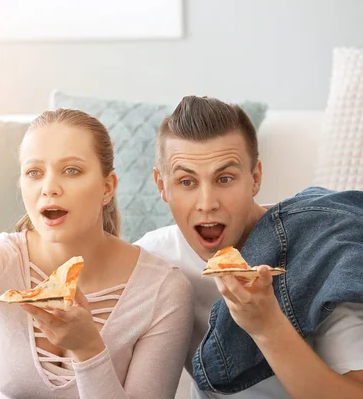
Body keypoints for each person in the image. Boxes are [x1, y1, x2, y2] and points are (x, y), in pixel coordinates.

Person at [0, 109, 194, 399]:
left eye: (71, 170)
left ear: (107, 188)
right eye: (34, 172)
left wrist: (88, 350)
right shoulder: (2, 260)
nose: (50, 187)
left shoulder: (163, 290)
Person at [136, 95, 363, 398]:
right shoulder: (152, 259)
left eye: (225, 178)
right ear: (162, 186)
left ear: (255, 178)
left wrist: (268, 326)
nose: (207, 204)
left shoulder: (318, 249)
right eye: (187, 182)